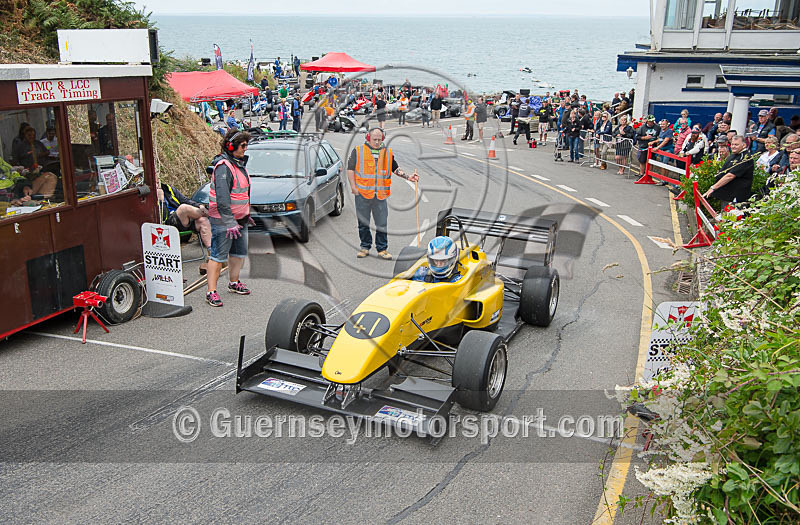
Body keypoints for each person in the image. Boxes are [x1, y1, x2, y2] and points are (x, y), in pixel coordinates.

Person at [347, 128, 418, 260]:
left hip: (380, 195)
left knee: (382, 224)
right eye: (375, 139)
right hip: (362, 194)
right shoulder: (358, 151)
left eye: (380, 139)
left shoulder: (387, 153)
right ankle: (365, 247)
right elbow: (350, 169)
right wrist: (353, 186)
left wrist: (409, 177)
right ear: (368, 137)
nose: (377, 142)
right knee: (363, 223)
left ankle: (382, 249)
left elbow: (395, 168)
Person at [206, 129, 253, 307]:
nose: (245, 149)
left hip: (240, 220)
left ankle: (234, 282)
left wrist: (245, 214)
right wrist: (229, 222)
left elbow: (243, 192)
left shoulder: (238, 164)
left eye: (246, 146)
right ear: (231, 146)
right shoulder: (224, 167)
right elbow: (223, 199)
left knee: (238, 253)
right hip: (223, 221)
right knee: (218, 256)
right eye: (242, 146)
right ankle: (211, 292)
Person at [157, 179, 212, 272]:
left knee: (203, 220)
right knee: (183, 208)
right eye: (154, 181)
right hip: (168, 225)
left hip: (185, 220)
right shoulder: (149, 197)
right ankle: (211, 214)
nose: (157, 182)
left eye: (157, 180)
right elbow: (161, 218)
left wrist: (199, 206)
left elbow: (185, 200)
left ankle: (212, 254)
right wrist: (161, 200)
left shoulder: (168, 189)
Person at [703, 135, 753, 207]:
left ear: (744, 145)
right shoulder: (733, 155)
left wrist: (713, 188)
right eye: (732, 144)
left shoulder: (745, 158)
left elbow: (730, 176)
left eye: (736, 144)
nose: (733, 146)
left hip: (735, 197)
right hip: (726, 195)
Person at [11, 124, 57, 198]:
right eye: (29, 135)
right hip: (28, 174)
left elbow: (47, 152)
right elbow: (14, 160)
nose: (31, 137)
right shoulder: (20, 146)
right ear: (25, 135)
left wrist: (40, 154)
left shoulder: (38, 143)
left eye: (33, 135)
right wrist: (21, 169)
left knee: (50, 177)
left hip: (41, 170)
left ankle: (43, 198)